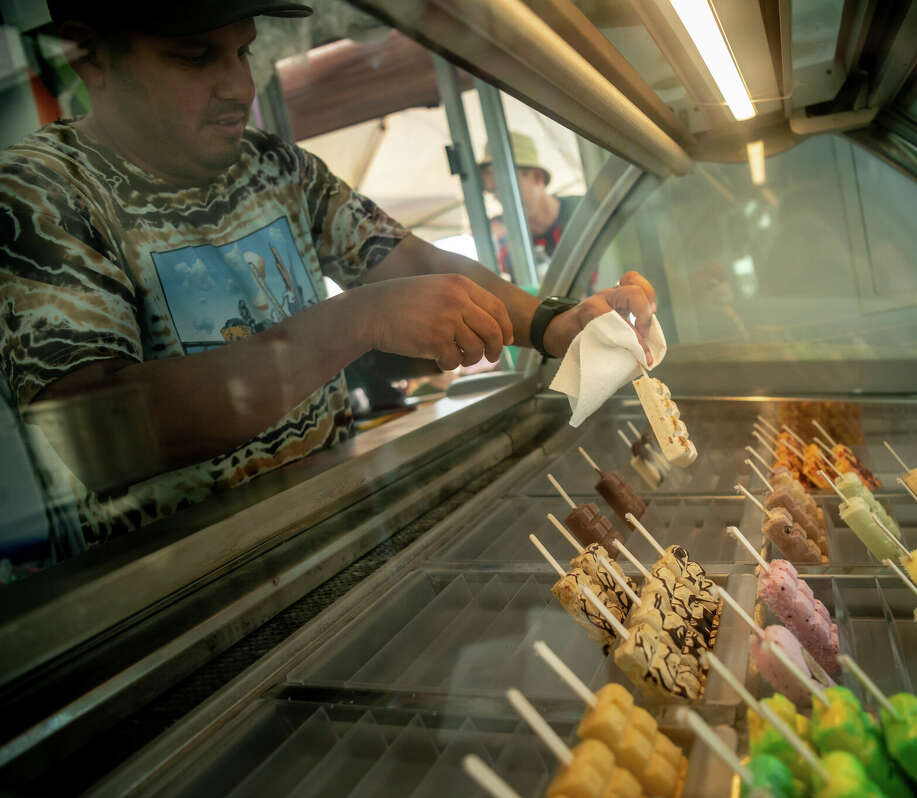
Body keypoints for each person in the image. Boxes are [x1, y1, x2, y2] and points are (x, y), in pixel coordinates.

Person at [0, 1, 658, 546]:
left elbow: (415, 261)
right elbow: (98, 435)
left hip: (337, 536)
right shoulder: (44, 195)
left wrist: (549, 321)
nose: (238, 86)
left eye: (242, 50)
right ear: (90, 54)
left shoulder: (273, 166)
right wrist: (359, 319)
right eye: (196, 56)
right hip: (180, 606)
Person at [477, 132, 582, 281]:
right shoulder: (509, 245)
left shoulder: (584, 213)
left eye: (508, 189)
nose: (502, 201)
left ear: (537, 177)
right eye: (494, 192)